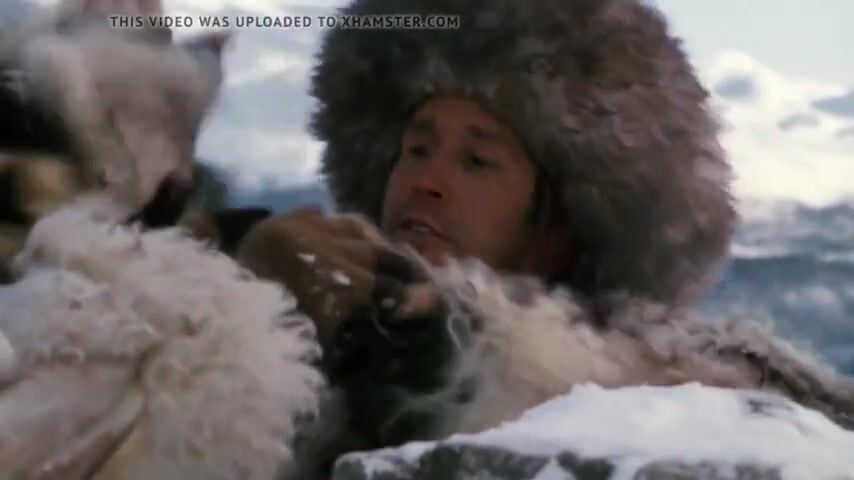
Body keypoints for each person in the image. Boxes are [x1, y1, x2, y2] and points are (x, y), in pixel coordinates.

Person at [232, 0, 854, 474]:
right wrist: (240, 311)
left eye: (477, 161)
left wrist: (440, 349)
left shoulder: (704, 387)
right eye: (416, 148)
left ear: (565, 220)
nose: (426, 181)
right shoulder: (315, 362)